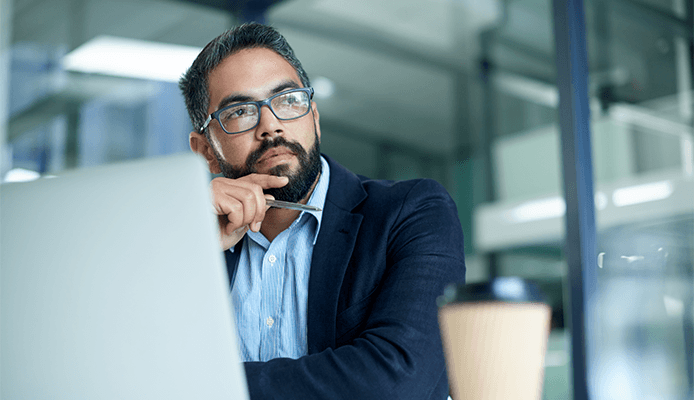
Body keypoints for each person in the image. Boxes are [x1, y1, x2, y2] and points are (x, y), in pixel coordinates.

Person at [179, 22, 466, 400]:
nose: (271, 125)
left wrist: (200, 386)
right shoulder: (188, 245)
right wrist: (192, 248)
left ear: (313, 116)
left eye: (287, 100)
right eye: (240, 112)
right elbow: (130, 370)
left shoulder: (412, 213)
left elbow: (396, 383)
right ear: (205, 150)